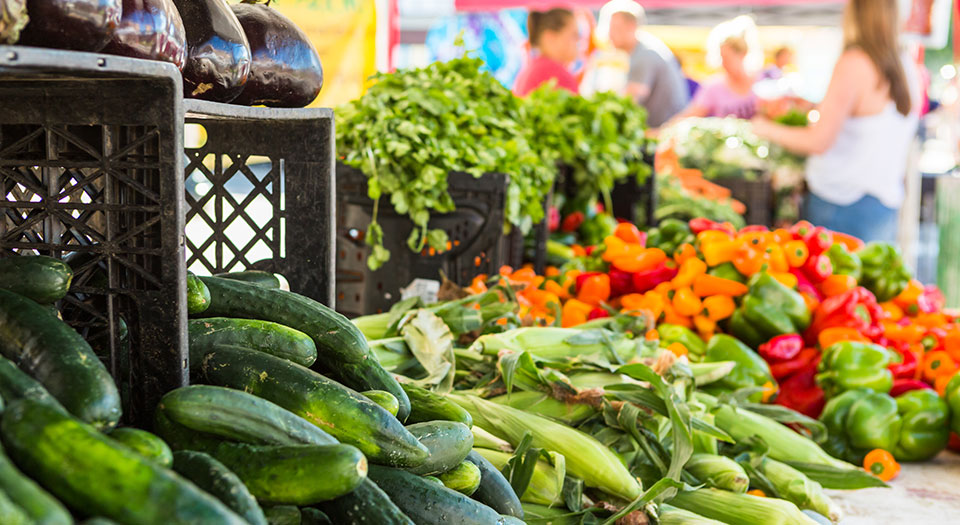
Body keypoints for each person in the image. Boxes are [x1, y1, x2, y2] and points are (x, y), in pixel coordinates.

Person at [752, 0, 919, 243]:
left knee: (836, 280)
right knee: (873, 279)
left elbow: (819, 141)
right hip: (882, 202)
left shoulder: (854, 62)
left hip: (840, 203)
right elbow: (870, 119)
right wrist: (813, 106)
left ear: (857, 13)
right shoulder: (906, 65)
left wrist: (764, 128)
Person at [600, 0, 689, 127]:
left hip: (662, 132)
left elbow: (628, 102)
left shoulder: (645, 55)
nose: (609, 35)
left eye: (614, 28)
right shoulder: (643, 49)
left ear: (631, 26)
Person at [671, 17, 760, 121]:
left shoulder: (760, 80)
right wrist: (665, 127)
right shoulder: (713, 87)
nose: (723, 64)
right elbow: (692, 113)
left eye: (727, 59)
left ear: (742, 55)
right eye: (722, 58)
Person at [513, 8, 579, 96]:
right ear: (550, 38)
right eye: (574, 35)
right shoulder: (557, 75)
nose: (578, 40)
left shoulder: (529, 69)